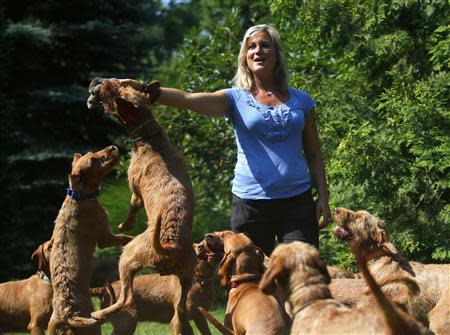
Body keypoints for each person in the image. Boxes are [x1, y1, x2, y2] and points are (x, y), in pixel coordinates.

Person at [120, 24, 331, 256]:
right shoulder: (235, 98)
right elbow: (189, 98)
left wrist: (323, 196)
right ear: (245, 57)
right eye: (251, 47)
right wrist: (145, 90)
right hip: (250, 204)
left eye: (265, 45)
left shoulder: (303, 100)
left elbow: (313, 153)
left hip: (297, 202)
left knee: (301, 274)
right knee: (251, 281)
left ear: (277, 53)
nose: (258, 51)